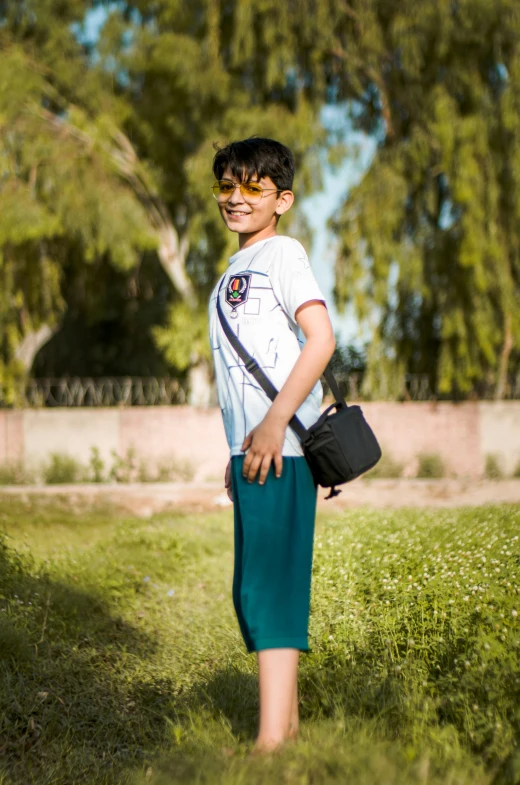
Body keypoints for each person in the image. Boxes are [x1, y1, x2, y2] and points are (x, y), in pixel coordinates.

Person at [208, 137, 336, 752]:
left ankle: (270, 746)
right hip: (254, 450)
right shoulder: (234, 269)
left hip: (280, 447)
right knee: (255, 585)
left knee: (271, 585)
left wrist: (273, 423)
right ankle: (284, 728)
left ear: (281, 199)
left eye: (252, 188)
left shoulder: (283, 253)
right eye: (226, 186)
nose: (236, 198)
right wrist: (235, 451)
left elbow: (321, 340)